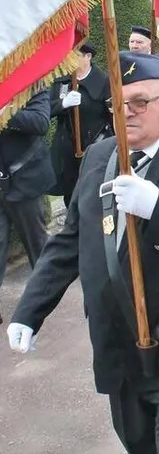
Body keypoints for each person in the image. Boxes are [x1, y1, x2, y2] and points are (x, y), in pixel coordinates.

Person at [7, 52, 159, 453]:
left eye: (140, 102)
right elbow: (71, 240)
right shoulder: (101, 157)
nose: (127, 113)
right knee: (137, 444)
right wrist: (30, 310)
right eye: (118, 104)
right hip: (117, 344)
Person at [0, 91, 55, 325]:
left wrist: (6, 114)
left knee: (36, 244)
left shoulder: (30, 84)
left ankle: (43, 298)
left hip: (25, 179)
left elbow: (41, 121)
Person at [49, 42, 113, 207]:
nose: (71, 59)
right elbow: (46, 109)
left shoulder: (104, 81)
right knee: (70, 191)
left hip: (95, 144)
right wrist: (62, 104)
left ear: (88, 57)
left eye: (76, 55)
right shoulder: (62, 80)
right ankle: (73, 225)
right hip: (67, 147)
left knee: (94, 191)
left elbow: (112, 115)